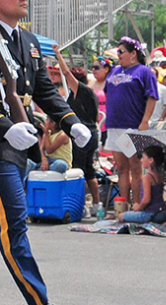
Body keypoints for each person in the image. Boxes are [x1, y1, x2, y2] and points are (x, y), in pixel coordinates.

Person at [0, 0, 92, 305]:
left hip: (20, 148)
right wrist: (4, 126)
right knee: (14, 227)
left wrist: (71, 120)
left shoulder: (29, 42)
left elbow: (45, 91)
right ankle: (39, 300)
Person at [103, 37, 158, 210]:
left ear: (133, 54)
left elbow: (152, 97)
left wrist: (145, 121)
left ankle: (137, 204)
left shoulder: (144, 72)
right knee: (120, 168)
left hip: (132, 126)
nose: (117, 55)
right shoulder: (113, 71)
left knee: (135, 167)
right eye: (117, 51)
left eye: (121, 51)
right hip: (114, 124)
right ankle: (123, 204)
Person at [51, 47, 102, 215]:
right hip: (91, 133)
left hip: (84, 135)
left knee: (78, 170)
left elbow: (66, 73)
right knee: (88, 170)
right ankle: (96, 204)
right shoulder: (78, 95)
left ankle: (80, 206)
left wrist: (58, 55)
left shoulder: (84, 91)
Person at [119, 146, 166, 224]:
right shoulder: (160, 175)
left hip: (150, 214)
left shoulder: (147, 177)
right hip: (162, 212)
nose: (141, 160)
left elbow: (146, 200)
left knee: (121, 216)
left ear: (150, 160)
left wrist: (138, 207)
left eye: (143, 157)